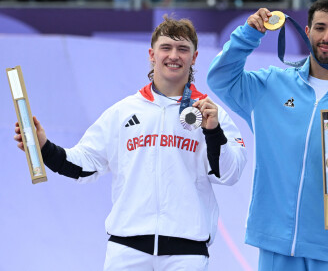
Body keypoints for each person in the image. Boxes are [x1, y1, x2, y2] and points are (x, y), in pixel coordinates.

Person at [13, 15, 247, 271]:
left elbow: (229, 174)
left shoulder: (211, 113)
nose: (174, 55)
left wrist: (213, 132)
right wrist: (44, 147)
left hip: (186, 253)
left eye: (183, 49)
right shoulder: (123, 112)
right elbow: (84, 164)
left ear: (195, 57)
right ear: (152, 54)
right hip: (126, 251)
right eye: (166, 47)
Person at [207, 0, 328, 271]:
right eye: (320, 27)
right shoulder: (270, 85)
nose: (327, 37)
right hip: (275, 243)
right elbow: (219, 77)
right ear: (307, 31)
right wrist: (249, 35)